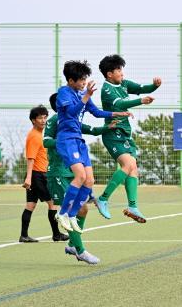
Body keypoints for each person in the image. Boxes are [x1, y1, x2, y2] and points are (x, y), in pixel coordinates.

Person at [54, 60, 131, 233]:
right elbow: (72, 112)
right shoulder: (63, 93)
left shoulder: (81, 93)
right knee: (79, 176)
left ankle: (72, 214)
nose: (83, 83)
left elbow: (96, 112)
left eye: (84, 79)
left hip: (78, 141)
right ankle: (62, 213)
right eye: (81, 80)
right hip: (67, 140)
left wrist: (117, 113)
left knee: (89, 180)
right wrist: (86, 95)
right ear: (71, 80)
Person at [44, 93, 117, 264]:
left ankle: (71, 244)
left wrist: (108, 127)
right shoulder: (54, 121)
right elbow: (46, 142)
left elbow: (91, 130)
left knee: (83, 209)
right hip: (58, 173)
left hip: (72, 172)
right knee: (70, 211)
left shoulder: (73, 122)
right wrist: (65, 141)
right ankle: (80, 250)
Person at [94, 54, 161, 222]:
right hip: (112, 133)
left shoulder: (123, 84)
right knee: (129, 164)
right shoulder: (106, 89)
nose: (122, 73)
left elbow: (142, 88)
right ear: (109, 74)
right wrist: (141, 101)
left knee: (134, 168)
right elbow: (119, 105)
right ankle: (102, 199)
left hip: (124, 134)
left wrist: (154, 86)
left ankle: (132, 206)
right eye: (118, 70)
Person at [20, 105, 68, 243]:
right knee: (52, 203)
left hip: (37, 174)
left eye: (45, 117)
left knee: (30, 205)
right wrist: (28, 178)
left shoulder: (41, 134)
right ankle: (56, 234)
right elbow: (31, 158)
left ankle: (24, 235)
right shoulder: (34, 136)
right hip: (38, 175)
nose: (43, 120)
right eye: (40, 118)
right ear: (33, 120)